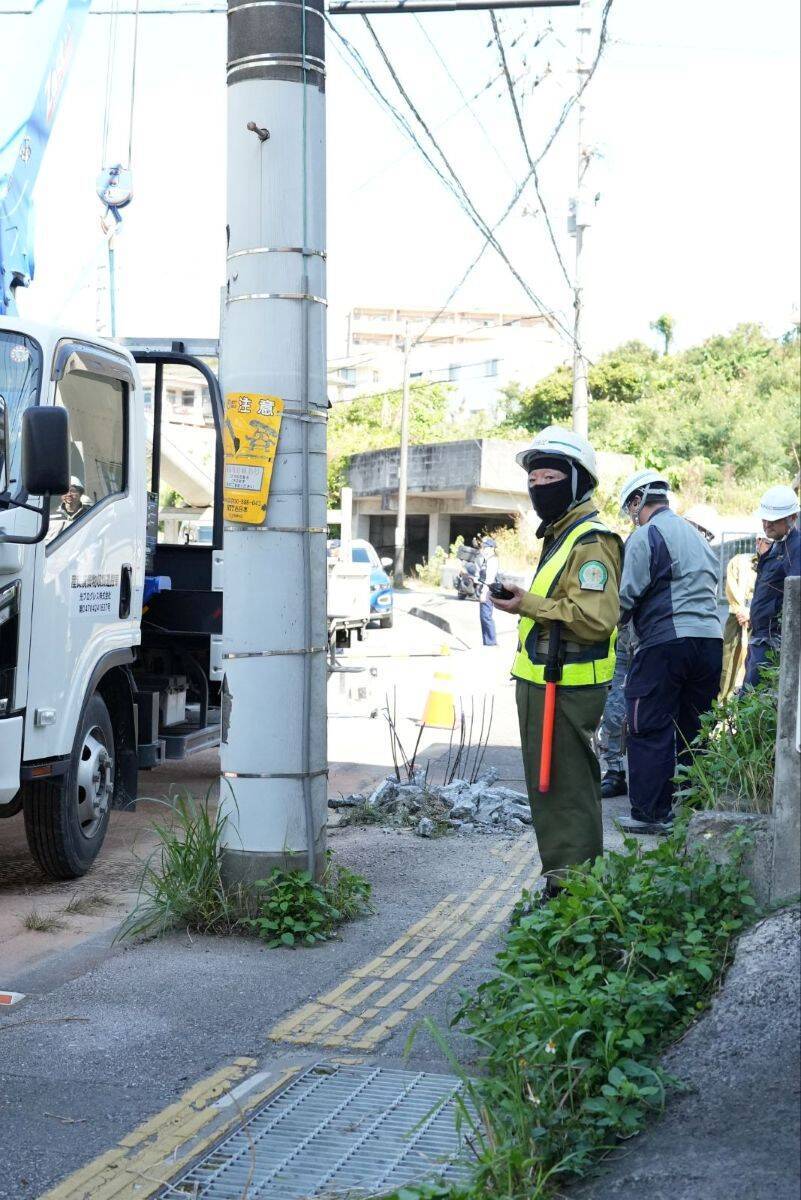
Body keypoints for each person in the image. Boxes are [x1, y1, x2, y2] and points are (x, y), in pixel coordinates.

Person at [490, 426, 623, 900]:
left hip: (564, 687)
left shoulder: (591, 541)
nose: (538, 486)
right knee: (551, 791)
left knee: (565, 791)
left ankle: (573, 891)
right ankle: (566, 882)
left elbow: (595, 619)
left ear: (578, 481)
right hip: (545, 681)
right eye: (534, 478)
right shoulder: (562, 534)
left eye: (550, 477)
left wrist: (527, 604)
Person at [616, 469, 723, 835]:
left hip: (666, 642)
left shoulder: (646, 535)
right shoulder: (698, 536)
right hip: (710, 642)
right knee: (694, 727)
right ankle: (693, 809)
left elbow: (625, 595)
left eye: (630, 506)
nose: (631, 514)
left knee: (648, 725)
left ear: (637, 501)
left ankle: (649, 814)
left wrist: (601, 625)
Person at [742, 485, 800, 688]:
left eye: (773, 520)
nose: (766, 524)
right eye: (764, 518)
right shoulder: (778, 543)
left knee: (751, 703)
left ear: (792, 517)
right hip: (759, 639)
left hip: (774, 642)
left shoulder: (796, 547)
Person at [718, 532, 765, 699]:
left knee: (751, 666)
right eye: (765, 542)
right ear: (758, 541)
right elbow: (730, 586)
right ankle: (722, 706)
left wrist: (751, 614)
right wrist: (742, 610)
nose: (768, 546)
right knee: (728, 664)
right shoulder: (739, 561)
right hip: (737, 618)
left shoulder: (776, 563)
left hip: (759, 621)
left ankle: (743, 708)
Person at [597, 621, 634, 798]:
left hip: (656, 640)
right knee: (613, 712)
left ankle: (652, 774)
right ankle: (615, 771)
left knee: (651, 715)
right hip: (621, 643)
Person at [477, 536, 499, 646]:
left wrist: (484, 593)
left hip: (488, 590)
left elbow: (489, 579)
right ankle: (487, 641)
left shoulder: (492, 560)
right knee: (483, 616)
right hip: (485, 589)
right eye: (483, 547)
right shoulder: (487, 560)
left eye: (485, 547)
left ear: (491, 548)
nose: (483, 549)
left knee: (486, 616)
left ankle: (491, 641)